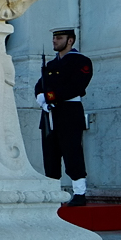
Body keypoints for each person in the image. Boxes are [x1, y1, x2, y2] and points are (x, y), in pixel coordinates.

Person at [34, 28, 93, 205]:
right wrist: (41, 98)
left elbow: (76, 87)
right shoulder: (51, 65)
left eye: (59, 38)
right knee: (50, 155)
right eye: (53, 38)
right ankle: (54, 194)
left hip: (69, 112)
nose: (54, 41)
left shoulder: (81, 61)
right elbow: (40, 85)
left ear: (70, 41)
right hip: (50, 113)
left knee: (72, 152)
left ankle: (79, 193)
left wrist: (50, 97)